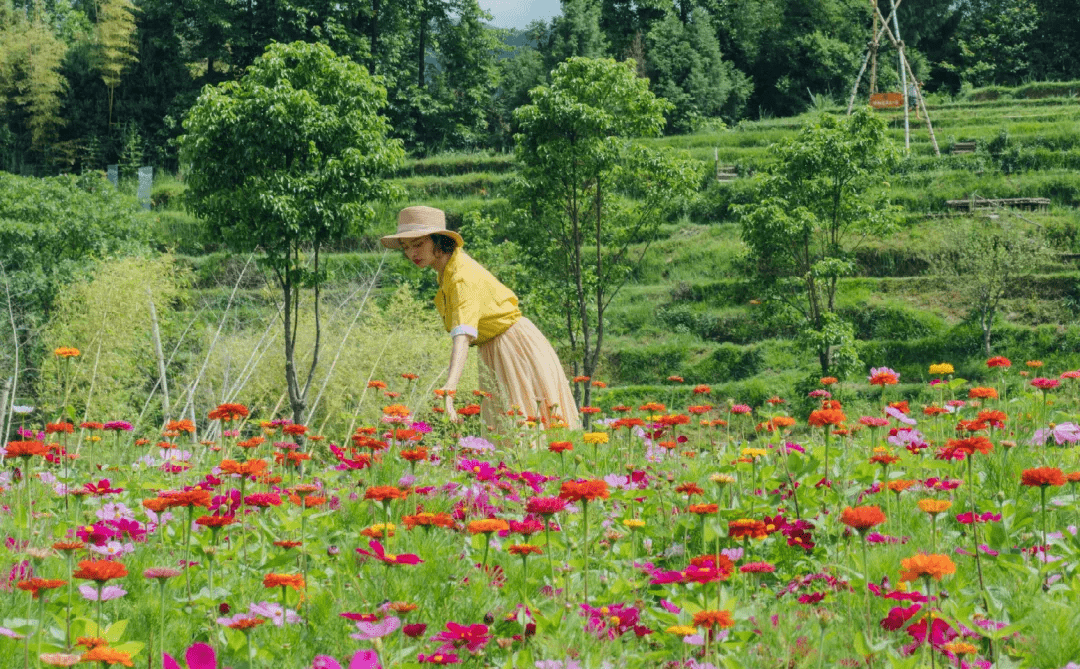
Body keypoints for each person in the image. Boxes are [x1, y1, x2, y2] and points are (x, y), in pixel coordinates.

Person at [381, 206, 581, 430]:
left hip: (513, 346)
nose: (412, 254)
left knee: (526, 428)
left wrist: (449, 389)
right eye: (406, 248)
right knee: (509, 430)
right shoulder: (446, 272)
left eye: (418, 244)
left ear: (438, 241)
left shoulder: (461, 277)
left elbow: (462, 335)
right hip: (495, 347)